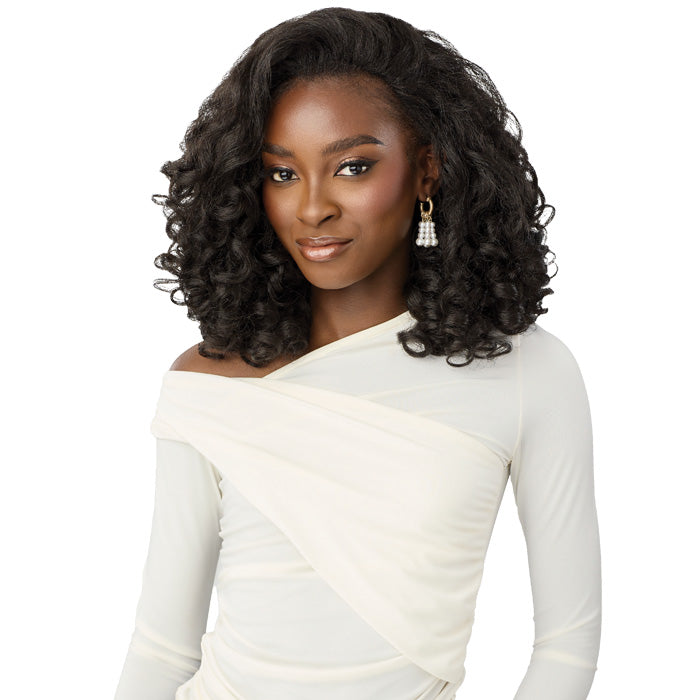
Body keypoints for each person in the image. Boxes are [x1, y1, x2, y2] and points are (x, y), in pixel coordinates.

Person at [114, 7, 601, 700]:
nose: (312, 207)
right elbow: (161, 651)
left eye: (351, 166)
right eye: (282, 174)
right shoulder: (207, 383)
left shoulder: (528, 374)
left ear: (427, 170)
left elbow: (566, 647)